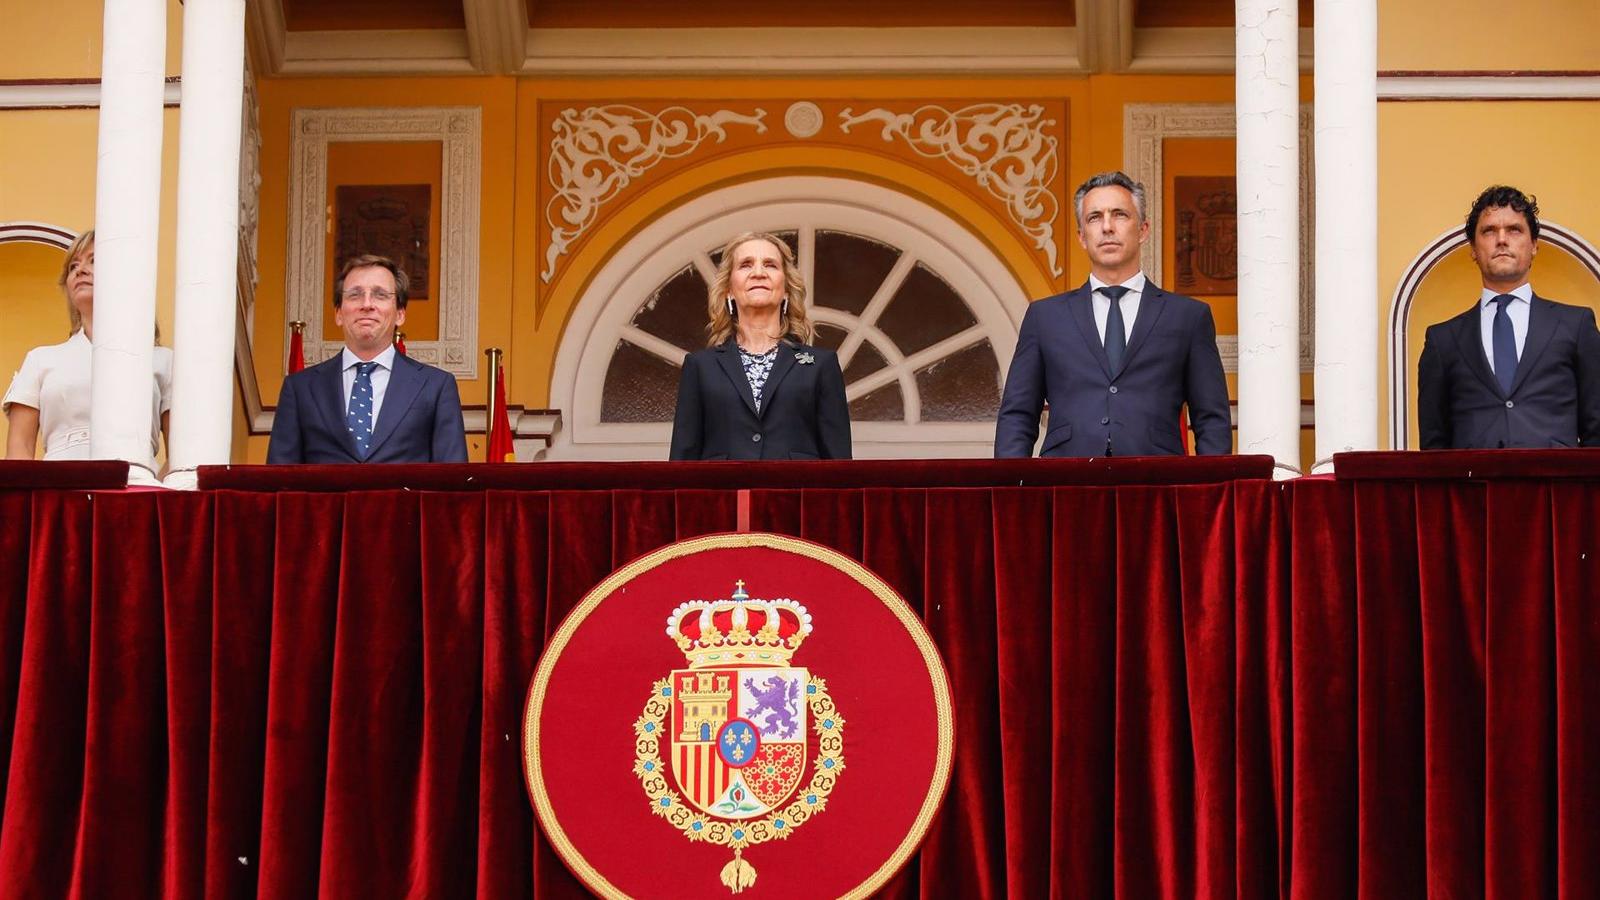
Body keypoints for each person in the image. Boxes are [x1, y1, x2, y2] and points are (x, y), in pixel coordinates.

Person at [994, 171, 1231, 457]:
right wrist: (1014, 493)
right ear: (1082, 236)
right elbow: (1018, 414)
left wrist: (1208, 492)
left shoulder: (1189, 317)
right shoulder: (1044, 317)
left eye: (1119, 215)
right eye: (1094, 217)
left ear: (1143, 230)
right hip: (1066, 482)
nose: (1107, 227)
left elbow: (1211, 419)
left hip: (1159, 483)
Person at [1417, 185, 1600, 449]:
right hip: (1473, 489)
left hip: (1555, 489)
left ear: (1534, 245)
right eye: (1489, 230)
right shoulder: (1442, 340)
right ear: (1473, 248)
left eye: (1514, 229)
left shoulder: (1577, 325)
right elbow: (1434, 446)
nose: (1501, 239)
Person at [267, 254, 467, 463]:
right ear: (338, 313)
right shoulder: (300, 388)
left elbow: (451, 483)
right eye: (355, 295)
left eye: (380, 295)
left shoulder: (436, 386)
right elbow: (280, 480)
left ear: (400, 313)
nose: (367, 304)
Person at [669, 232, 851, 460]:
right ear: (728, 290)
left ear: (786, 289)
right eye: (746, 265)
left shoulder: (821, 365)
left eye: (770, 265)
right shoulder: (700, 367)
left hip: (797, 494)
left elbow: (839, 465)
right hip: (724, 495)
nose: (758, 273)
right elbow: (682, 464)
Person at [4, 229, 172, 460]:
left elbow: (180, 458)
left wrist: (151, 493)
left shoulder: (163, 360)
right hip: (57, 488)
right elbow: (19, 450)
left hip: (135, 487)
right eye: (73, 266)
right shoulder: (40, 359)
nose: (80, 270)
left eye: (94, 261)